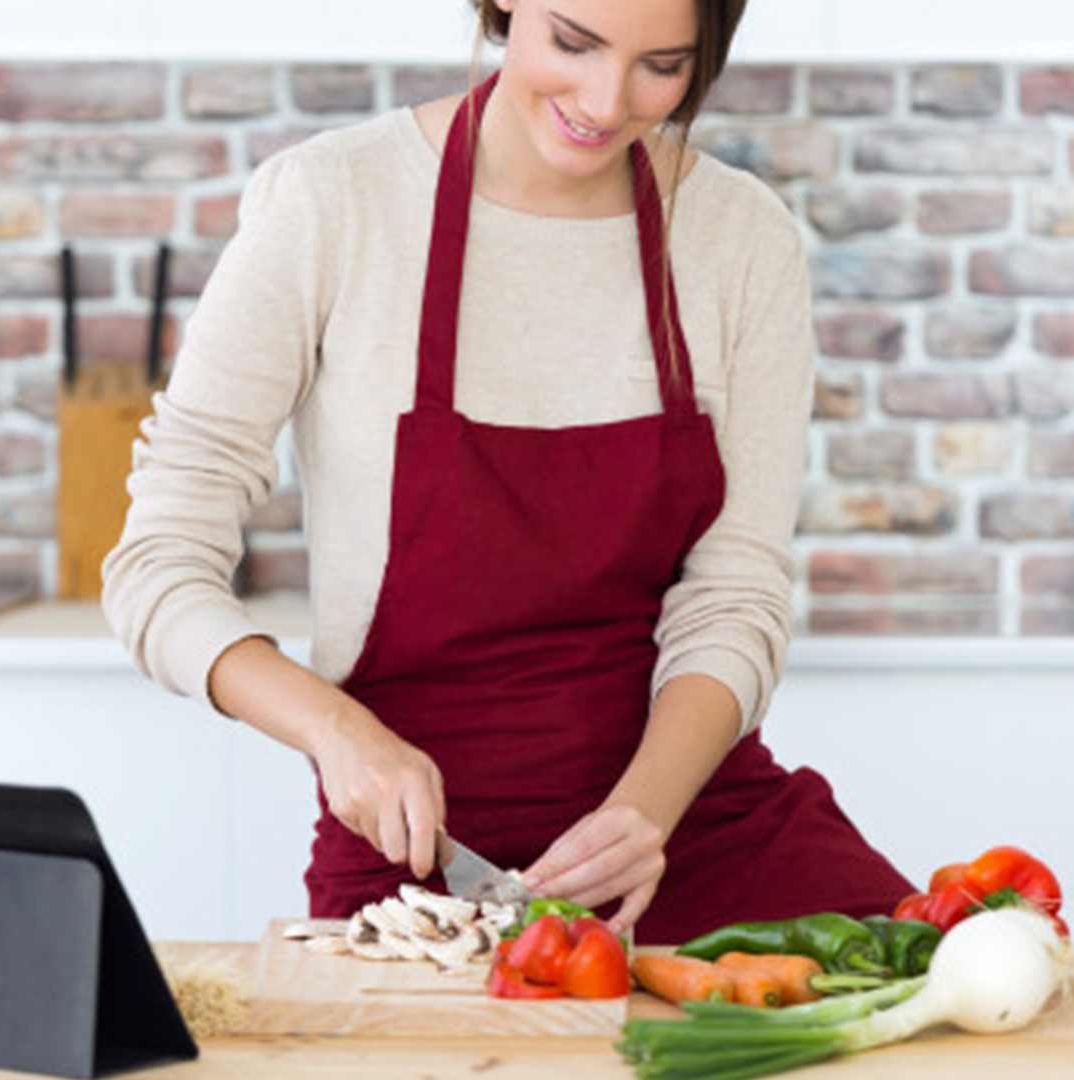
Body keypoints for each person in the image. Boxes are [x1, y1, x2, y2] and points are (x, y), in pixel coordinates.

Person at [103, 0, 914, 943]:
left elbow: (736, 592)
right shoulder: (333, 202)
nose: (605, 102)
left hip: (686, 825)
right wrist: (336, 732)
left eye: (662, 66)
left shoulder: (741, 238)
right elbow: (156, 563)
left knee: (955, 979)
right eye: (574, 42)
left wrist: (644, 814)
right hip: (423, 855)